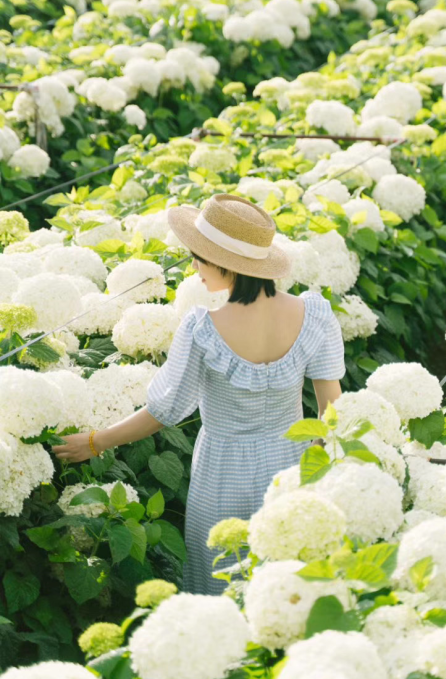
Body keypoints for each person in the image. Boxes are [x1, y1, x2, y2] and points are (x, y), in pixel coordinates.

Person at [54, 193, 345, 594]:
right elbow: (332, 408)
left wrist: (95, 441)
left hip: (221, 473)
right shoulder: (313, 313)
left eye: (200, 258)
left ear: (227, 265)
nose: (194, 267)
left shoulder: (202, 328)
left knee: (222, 583)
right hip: (292, 467)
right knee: (288, 585)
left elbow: (164, 411)